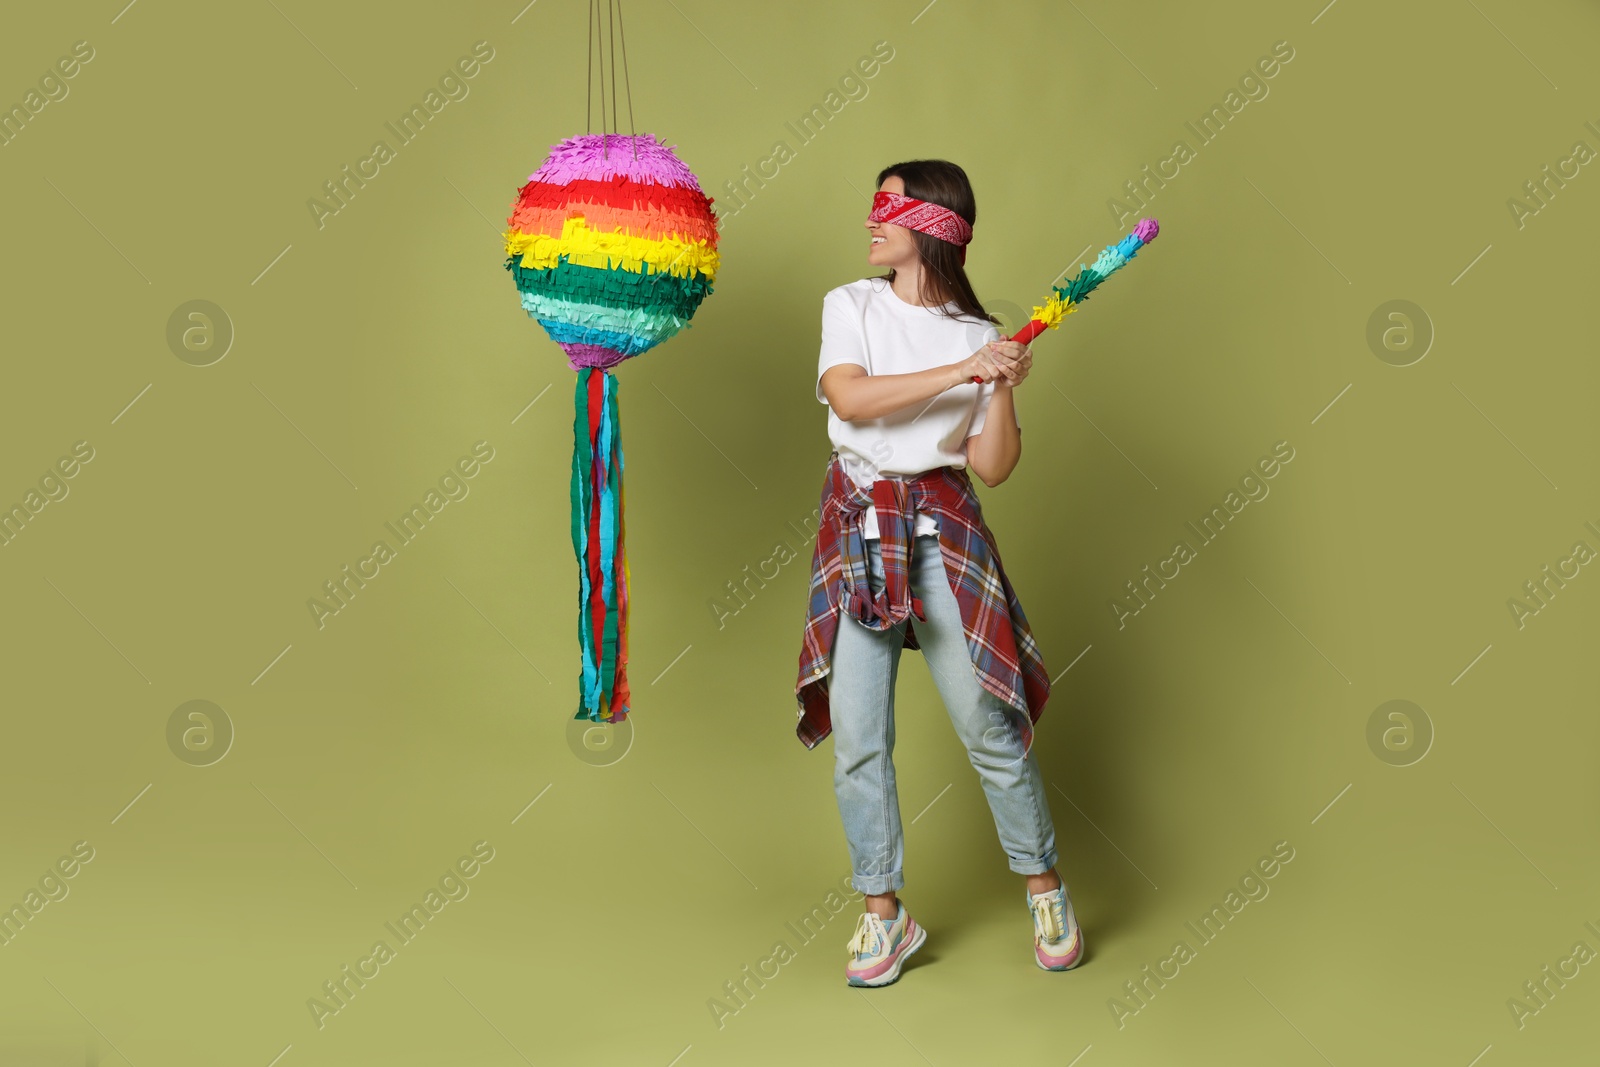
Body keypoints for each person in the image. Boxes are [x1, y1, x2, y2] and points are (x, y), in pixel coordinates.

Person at [794, 159, 1084, 987]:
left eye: (887, 205)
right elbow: (851, 401)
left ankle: (1045, 887)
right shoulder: (849, 305)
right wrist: (965, 372)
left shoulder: (976, 335)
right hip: (860, 532)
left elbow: (991, 467)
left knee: (989, 727)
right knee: (859, 738)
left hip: (943, 536)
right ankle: (884, 917)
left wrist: (999, 387)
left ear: (935, 225)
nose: (870, 219)